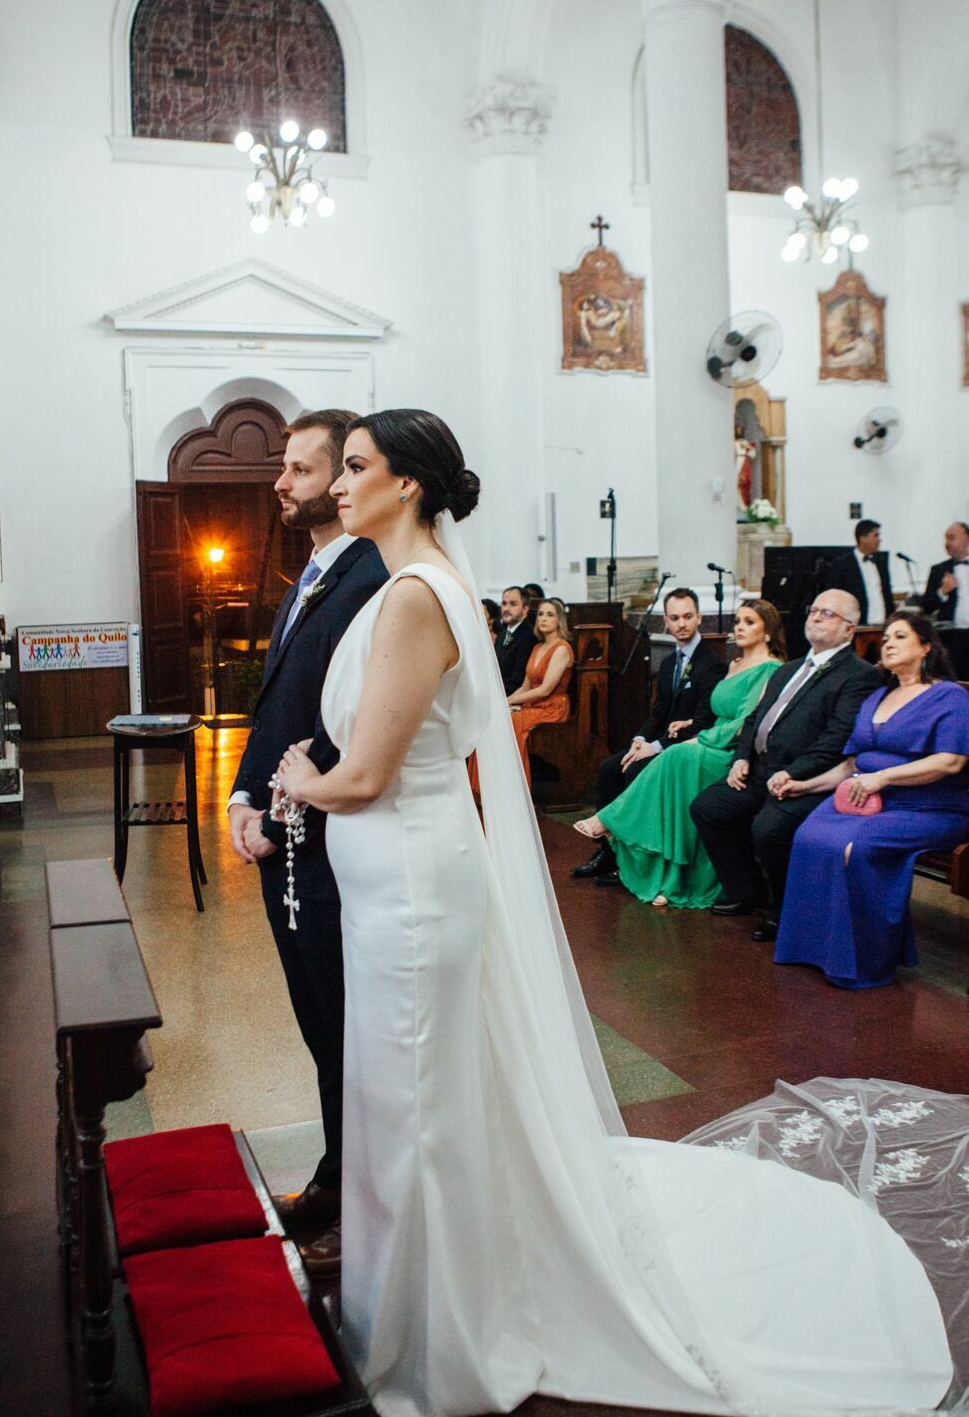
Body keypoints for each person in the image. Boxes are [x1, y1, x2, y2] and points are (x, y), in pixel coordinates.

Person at [274, 410, 952, 1417]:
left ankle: (443, 1328)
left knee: (413, 1099)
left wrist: (302, 778)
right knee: (413, 1094)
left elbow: (368, 768)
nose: (336, 482)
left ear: (407, 484)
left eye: (355, 466)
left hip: (409, 878)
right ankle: (418, 1289)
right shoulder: (423, 586)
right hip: (403, 871)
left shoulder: (415, 596)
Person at [226, 409, 386, 1277]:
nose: (279, 483)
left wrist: (289, 795)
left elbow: (348, 723)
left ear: (344, 477)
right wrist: (244, 793)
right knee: (320, 1021)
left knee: (350, 1024)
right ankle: (337, 1167)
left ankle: (363, 1194)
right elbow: (281, 699)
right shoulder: (320, 570)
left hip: (330, 834)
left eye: (298, 469)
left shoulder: (372, 579)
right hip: (287, 827)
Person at [775, 612, 969, 988]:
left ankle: (863, 962)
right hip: (862, 798)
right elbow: (851, 763)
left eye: (900, 636)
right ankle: (815, 950)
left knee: (853, 847)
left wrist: (883, 778)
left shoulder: (950, 697)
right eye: (887, 637)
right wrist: (807, 784)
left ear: (926, 647)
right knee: (808, 837)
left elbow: (951, 761)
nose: (889, 643)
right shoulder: (878, 696)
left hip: (929, 807)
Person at [690, 589, 877, 943]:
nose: (817, 617)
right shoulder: (789, 670)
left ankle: (783, 910)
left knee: (768, 829)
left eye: (828, 614)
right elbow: (755, 717)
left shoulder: (857, 675)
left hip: (810, 778)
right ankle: (747, 891)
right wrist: (742, 756)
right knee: (708, 807)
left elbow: (836, 740)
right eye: (814, 610)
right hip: (761, 770)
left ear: (849, 630)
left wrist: (794, 773)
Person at [572, 601, 784, 909]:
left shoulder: (771, 668)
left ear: (767, 630)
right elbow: (718, 712)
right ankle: (667, 876)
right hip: (710, 740)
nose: (739, 627)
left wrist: (702, 737)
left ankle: (611, 820)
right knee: (669, 760)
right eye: (738, 620)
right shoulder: (735, 663)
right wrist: (690, 726)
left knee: (675, 757)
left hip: (731, 751)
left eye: (749, 622)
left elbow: (747, 723)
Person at [573, 587, 725, 885]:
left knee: (636, 769)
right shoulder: (669, 662)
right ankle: (608, 852)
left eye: (687, 616)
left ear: (699, 618)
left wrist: (655, 748)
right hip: (659, 742)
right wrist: (640, 740)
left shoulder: (712, 664)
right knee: (609, 768)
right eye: (675, 618)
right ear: (665, 622)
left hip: (687, 747)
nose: (681, 623)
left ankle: (634, 862)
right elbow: (658, 713)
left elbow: (704, 722)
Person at [507, 597, 573, 789]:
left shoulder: (561, 648)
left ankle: (517, 787)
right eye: (541, 614)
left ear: (559, 619)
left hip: (553, 707)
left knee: (512, 721)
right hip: (535, 704)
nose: (543, 619)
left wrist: (508, 700)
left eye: (550, 615)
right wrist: (507, 703)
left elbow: (545, 690)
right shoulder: (537, 647)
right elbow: (526, 687)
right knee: (499, 717)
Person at [825, 518, 894, 626]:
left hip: (882, 623)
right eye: (875, 535)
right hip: (857, 625)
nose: (879, 540)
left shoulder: (881, 563)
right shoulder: (842, 564)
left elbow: (887, 593)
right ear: (863, 538)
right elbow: (835, 596)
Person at [922, 520, 969, 678]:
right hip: (952, 638)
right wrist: (943, 591)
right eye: (946, 539)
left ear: (967, 539)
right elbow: (927, 606)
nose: (947, 543)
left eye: (952, 538)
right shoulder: (938, 570)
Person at [494, 584, 535, 695]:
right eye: (504, 603)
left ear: (525, 609)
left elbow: (517, 681)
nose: (506, 608)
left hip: (512, 695)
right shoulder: (502, 634)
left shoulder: (528, 637)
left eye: (513, 604)